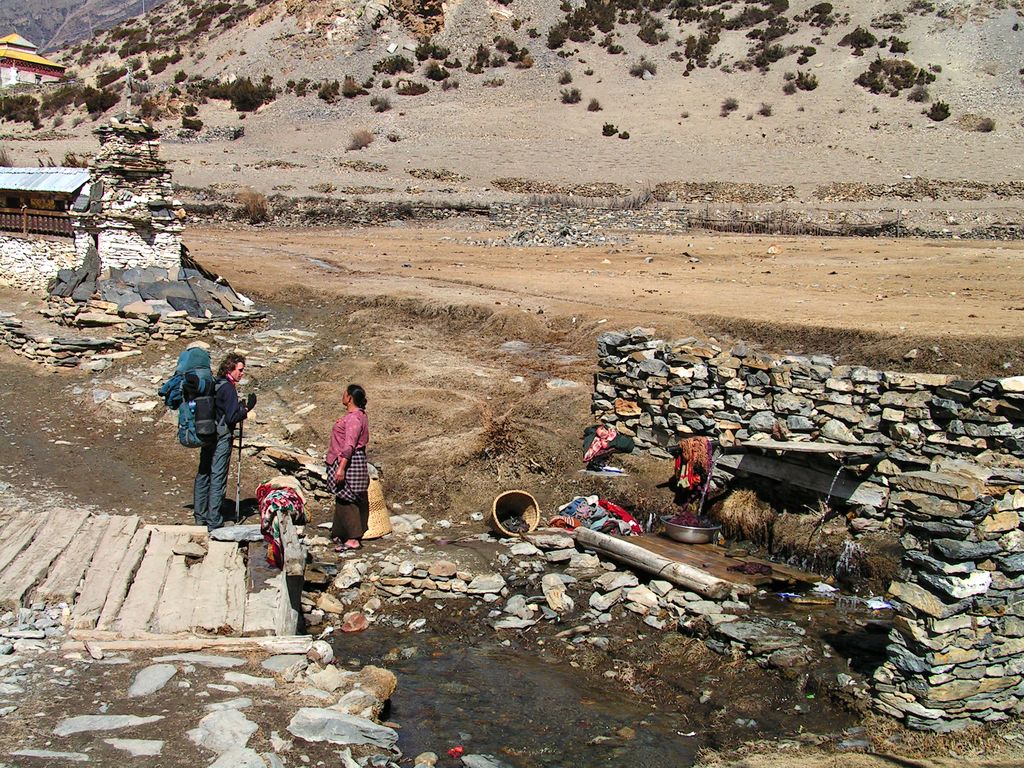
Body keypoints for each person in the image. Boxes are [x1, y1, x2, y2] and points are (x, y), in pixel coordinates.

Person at [194, 352, 255, 531]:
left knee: (203, 472)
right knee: (218, 476)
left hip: (207, 433)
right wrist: (246, 409)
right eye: (240, 370)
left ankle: (200, 515)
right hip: (221, 436)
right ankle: (214, 520)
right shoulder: (228, 388)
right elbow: (231, 417)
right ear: (231, 368)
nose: (242, 373)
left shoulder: (215, 383)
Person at [327, 384, 370, 550]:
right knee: (341, 496)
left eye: (344, 393)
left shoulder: (353, 419)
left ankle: (353, 538)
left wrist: (341, 468)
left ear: (349, 397)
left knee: (348, 498)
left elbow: (349, 446)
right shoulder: (359, 415)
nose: (342, 395)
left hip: (348, 461)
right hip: (350, 460)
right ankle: (340, 532)